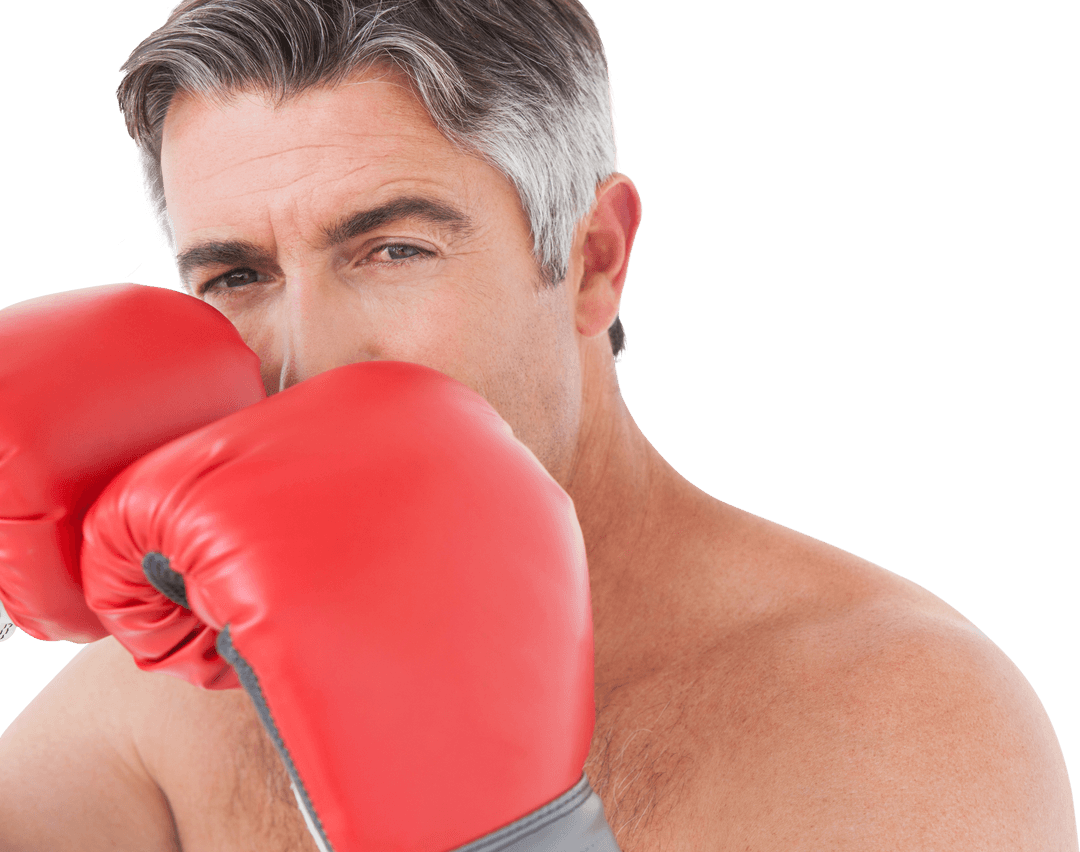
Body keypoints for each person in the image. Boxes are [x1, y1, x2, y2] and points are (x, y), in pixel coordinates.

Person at [0, 0, 1076, 849]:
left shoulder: (895, 714)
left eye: (394, 249)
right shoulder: (175, 687)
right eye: (238, 274)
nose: (305, 359)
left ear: (595, 261)